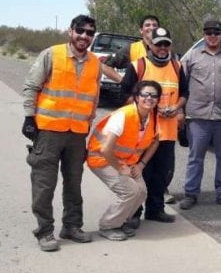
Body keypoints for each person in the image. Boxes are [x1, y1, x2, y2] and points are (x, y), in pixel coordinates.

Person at [21, 14, 101, 252]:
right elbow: (31, 86)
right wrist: (28, 117)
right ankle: (45, 231)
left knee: (74, 183)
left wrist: (88, 123)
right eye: (81, 31)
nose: (84, 36)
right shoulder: (52, 54)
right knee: (44, 184)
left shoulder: (95, 63)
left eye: (89, 33)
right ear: (70, 31)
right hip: (48, 131)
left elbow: (94, 97)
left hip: (77, 133)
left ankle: (72, 226)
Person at [119, 27, 188, 226]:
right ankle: (133, 212)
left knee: (160, 175)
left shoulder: (177, 67)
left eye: (166, 44)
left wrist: (176, 107)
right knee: (140, 174)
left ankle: (155, 210)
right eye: (159, 44)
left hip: (166, 132)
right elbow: (124, 95)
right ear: (150, 44)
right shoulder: (138, 66)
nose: (162, 48)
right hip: (142, 134)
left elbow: (185, 92)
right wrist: (147, 107)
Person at [86, 81, 160, 241]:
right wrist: (120, 168)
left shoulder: (153, 117)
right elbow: (105, 149)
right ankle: (108, 225)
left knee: (141, 192)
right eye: (145, 94)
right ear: (136, 97)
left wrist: (141, 165)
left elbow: (156, 141)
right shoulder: (123, 116)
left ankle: (121, 221)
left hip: (127, 161)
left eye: (154, 95)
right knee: (130, 191)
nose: (149, 98)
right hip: (102, 159)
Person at [179, 16, 221, 210]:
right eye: (208, 33)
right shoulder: (192, 56)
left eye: (216, 33)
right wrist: (181, 111)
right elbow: (182, 85)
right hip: (197, 117)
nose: (212, 36)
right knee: (196, 157)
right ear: (204, 35)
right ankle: (191, 193)